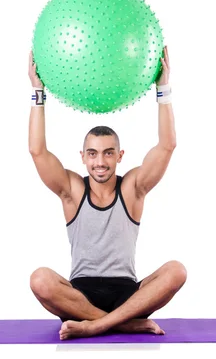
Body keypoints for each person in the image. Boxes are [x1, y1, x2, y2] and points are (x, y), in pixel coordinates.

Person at [27, 45, 186, 340]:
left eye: (108, 153)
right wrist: (38, 93)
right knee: (40, 280)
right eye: (93, 154)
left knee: (177, 271)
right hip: (79, 297)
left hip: (128, 294)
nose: (100, 162)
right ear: (83, 157)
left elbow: (167, 146)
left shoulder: (132, 189)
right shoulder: (72, 191)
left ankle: (98, 325)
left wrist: (163, 87)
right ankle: (122, 324)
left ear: (120, 155)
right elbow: (37, 151)